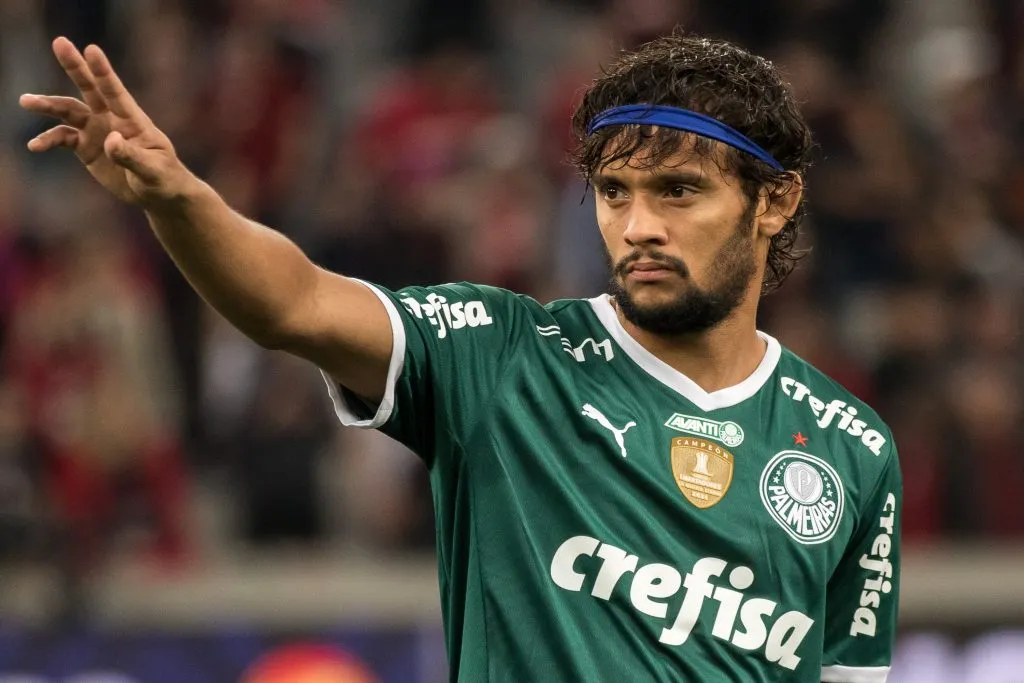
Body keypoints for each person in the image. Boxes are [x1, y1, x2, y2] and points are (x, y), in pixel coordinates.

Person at [20, 33, 901, 683]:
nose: (638, 227)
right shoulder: (502, 354)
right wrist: (179, 200)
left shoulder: (852, 450)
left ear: (774, 201)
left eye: (679, 190)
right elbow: (292, 302)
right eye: (614, 192)